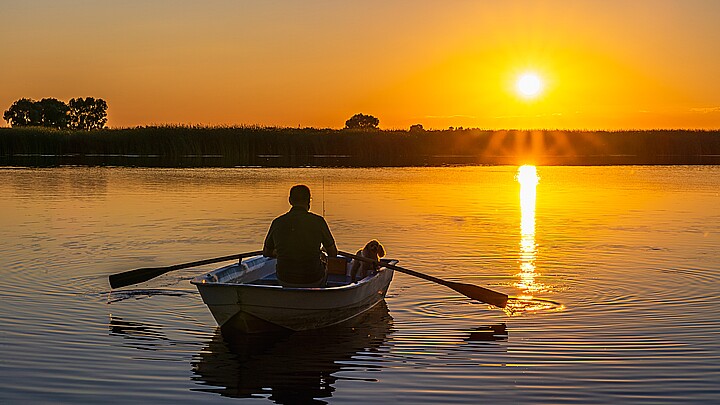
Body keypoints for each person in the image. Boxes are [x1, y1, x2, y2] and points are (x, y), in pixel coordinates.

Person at [263, 185, 338, 288]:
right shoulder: (318, 221)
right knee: (324, 260)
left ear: (290, 201)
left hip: (284, 279)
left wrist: (280, 252)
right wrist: (323, 251)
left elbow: (266, 252)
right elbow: (333, 253)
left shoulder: (277, 222)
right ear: (309, 201)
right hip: (313, 279)